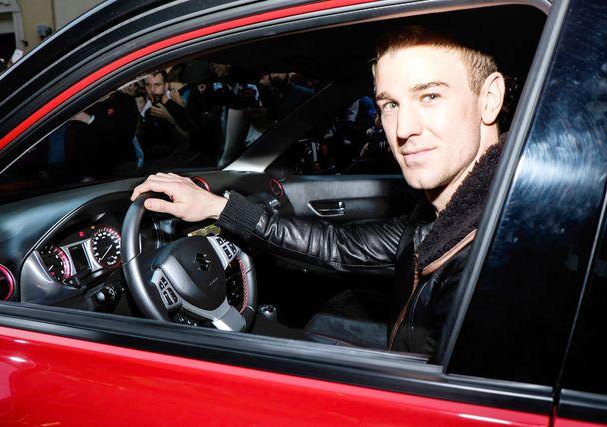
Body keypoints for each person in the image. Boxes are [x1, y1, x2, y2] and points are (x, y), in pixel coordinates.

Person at [130, 25, 506, 357]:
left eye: (430, 96)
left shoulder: (499, 259)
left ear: (489, 98)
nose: (404, 128)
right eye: (391, 104)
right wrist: (218, 207)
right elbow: (337, 247)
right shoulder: (447, 217)